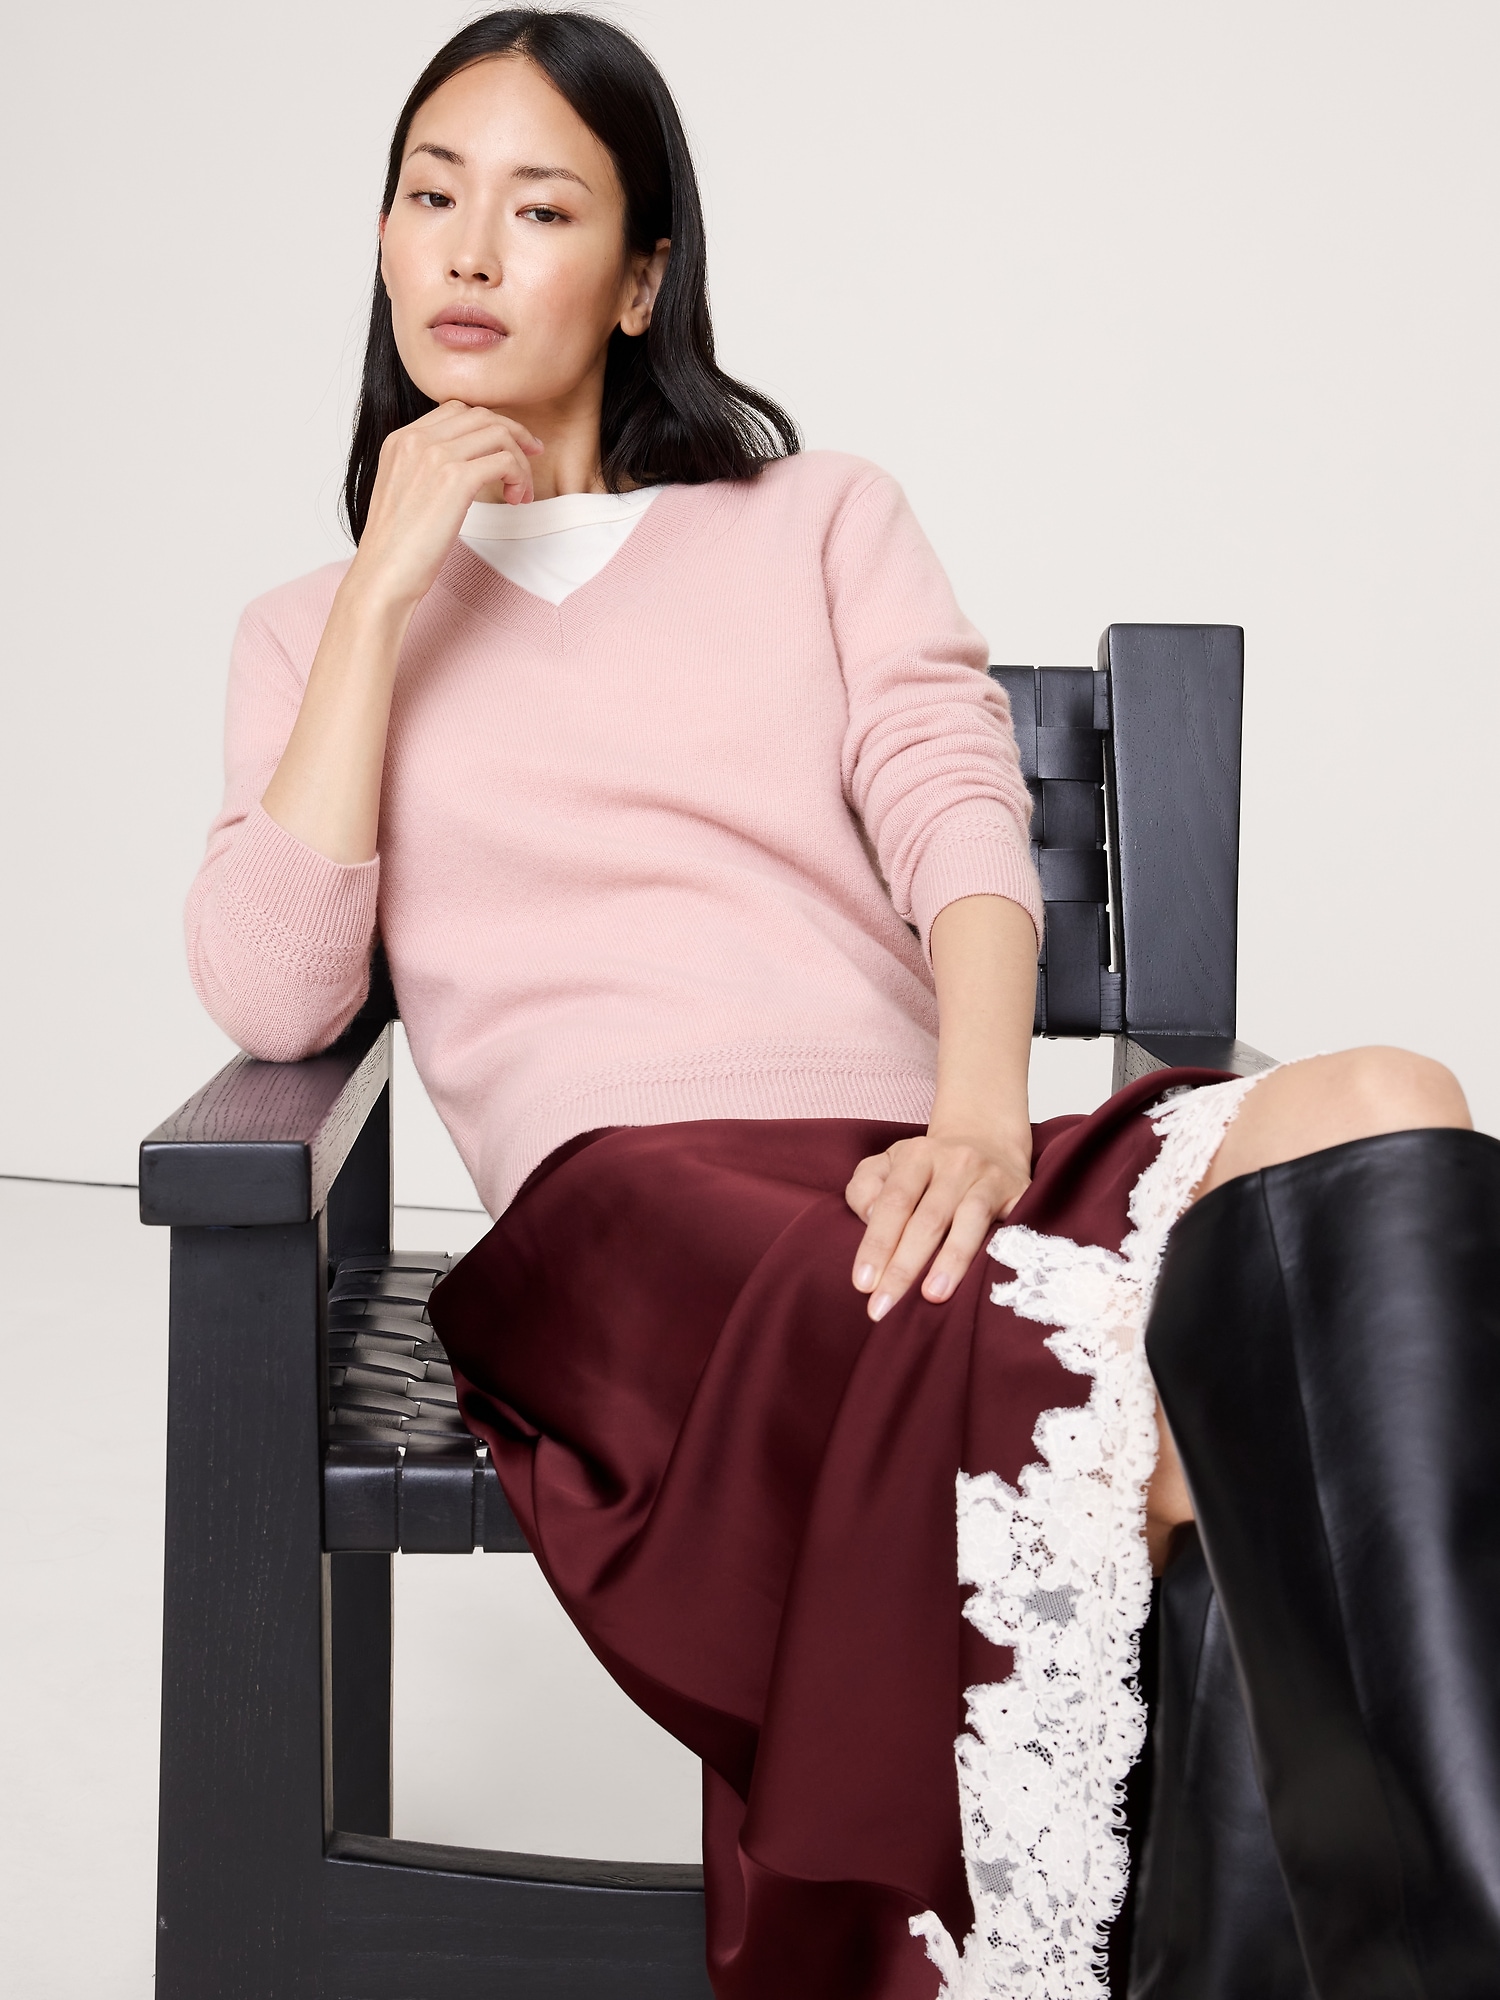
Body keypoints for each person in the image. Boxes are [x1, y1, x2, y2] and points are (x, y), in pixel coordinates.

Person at [184, 11, 1500, 1997]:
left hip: (910, 1166)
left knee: (1390, 1097)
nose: (468, 249)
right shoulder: (310, 630)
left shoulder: (817, 517)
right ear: (382, 240)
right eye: (431, 197)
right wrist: (382, 588)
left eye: (539, 209)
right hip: (633, 1217)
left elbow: (958, 814)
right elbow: (277, 995)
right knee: (1219, 1407)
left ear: (640, 281)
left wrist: (976, 1119)